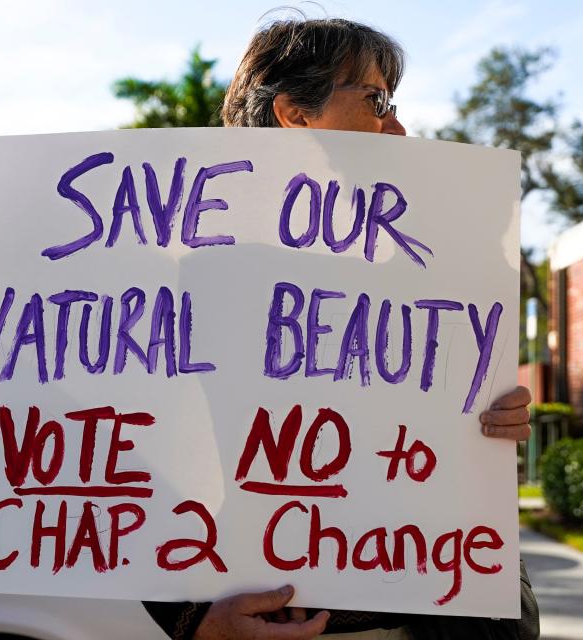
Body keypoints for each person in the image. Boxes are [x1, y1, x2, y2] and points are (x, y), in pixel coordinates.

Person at [144, 15, 539, 640]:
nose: (399, 127)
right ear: (295, 113)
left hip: (446, 614)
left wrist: (496, 420)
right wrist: (196, 623)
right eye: (376, 101)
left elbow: (441, 439)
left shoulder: (437, 259)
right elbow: (126, 466)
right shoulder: (193, 275)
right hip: (281, 620)